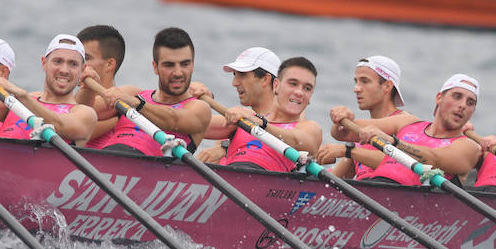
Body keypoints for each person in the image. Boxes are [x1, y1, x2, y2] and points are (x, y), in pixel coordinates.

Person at [84, 27, 212, 155]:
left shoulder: (199, 108)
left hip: (150, 168)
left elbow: (172, 120)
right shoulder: (134, 93)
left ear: (193, 65)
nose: (178, 73)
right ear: (155, 67)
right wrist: (87, 88)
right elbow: (81, 111)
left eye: (185, 64)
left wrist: (136, 103)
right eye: (169, 65)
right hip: (107, 159)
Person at [0, 34, 98, 144]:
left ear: (82, 69)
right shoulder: (21, 101)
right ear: (44, 63)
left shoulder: (84, 113)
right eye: (57, 62)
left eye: (73, 64)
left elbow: (59, 124)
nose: (64, 70)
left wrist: (20, 94)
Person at [342, 73, 483, 184]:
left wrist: (393, 142)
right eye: (457, 96)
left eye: (470, 103)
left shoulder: (468, 147)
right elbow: (344, 133)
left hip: (411, 204)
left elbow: (434, 158)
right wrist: (342, 116)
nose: (463, 105)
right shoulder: (408, 122)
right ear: (439, 98)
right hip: (377, 189)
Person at [202, 51, 322, 171]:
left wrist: (261, 124)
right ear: (276, 85)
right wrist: (192, 96)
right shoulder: (245, 119)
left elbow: (298, 141)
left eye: (307, 88)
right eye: (293, 84)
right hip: (230, 178)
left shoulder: (309, 127)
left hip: (268, 184)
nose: (299, 92)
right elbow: (198, 124)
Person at [314, 55, 409, 179]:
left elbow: (399, 162)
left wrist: (346, 151)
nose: (356, 88)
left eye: (365, 81)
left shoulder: (406, 122)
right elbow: (332, 182)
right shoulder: (360, 140)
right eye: (356, 82)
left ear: (387, 86)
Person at [74, 24, 127, 148]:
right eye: (77, 57)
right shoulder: (70, 104)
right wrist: (116, 121)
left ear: (109, 64)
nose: (76, 63)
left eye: (85, 58)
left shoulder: (130, 96)